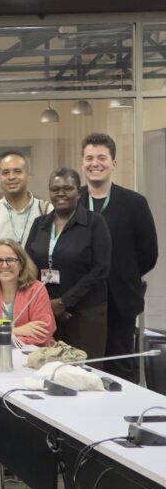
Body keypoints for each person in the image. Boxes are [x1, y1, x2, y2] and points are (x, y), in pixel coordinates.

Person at [79, 133, 158, 381]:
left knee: (121, 368)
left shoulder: (134, 203)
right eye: (89, 158)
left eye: (102, 157)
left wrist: (124, 274)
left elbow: (148, 254)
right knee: (83, 368)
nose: (95, 163)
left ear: (113, 163)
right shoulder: (72, 201)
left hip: (121, 301)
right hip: (81, 304)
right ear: (82, 163)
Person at [26, 168, 111, 358]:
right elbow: (28, 266)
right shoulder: (40, 224)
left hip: (86, 313)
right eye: (55, 189)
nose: (61, 193)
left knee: (85, 372)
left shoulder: (94, 223)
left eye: (68, 188)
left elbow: (100, 269)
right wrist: (47, 304)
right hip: (46, 312)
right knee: (47, 370)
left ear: (78, 192)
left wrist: (65, 302)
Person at [0, 151, 52, 281]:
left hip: (40, 293)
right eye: (5, 173)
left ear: (28, 176)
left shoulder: (47, 212)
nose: (11, 177)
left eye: (17, 171)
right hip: (0, 296)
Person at [0, 239, 55, 347]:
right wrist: (16, 330)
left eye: (10, 260)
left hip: (29, 359)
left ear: (21, 264)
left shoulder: (36, 290)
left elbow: (42, 334)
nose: (4, 265)